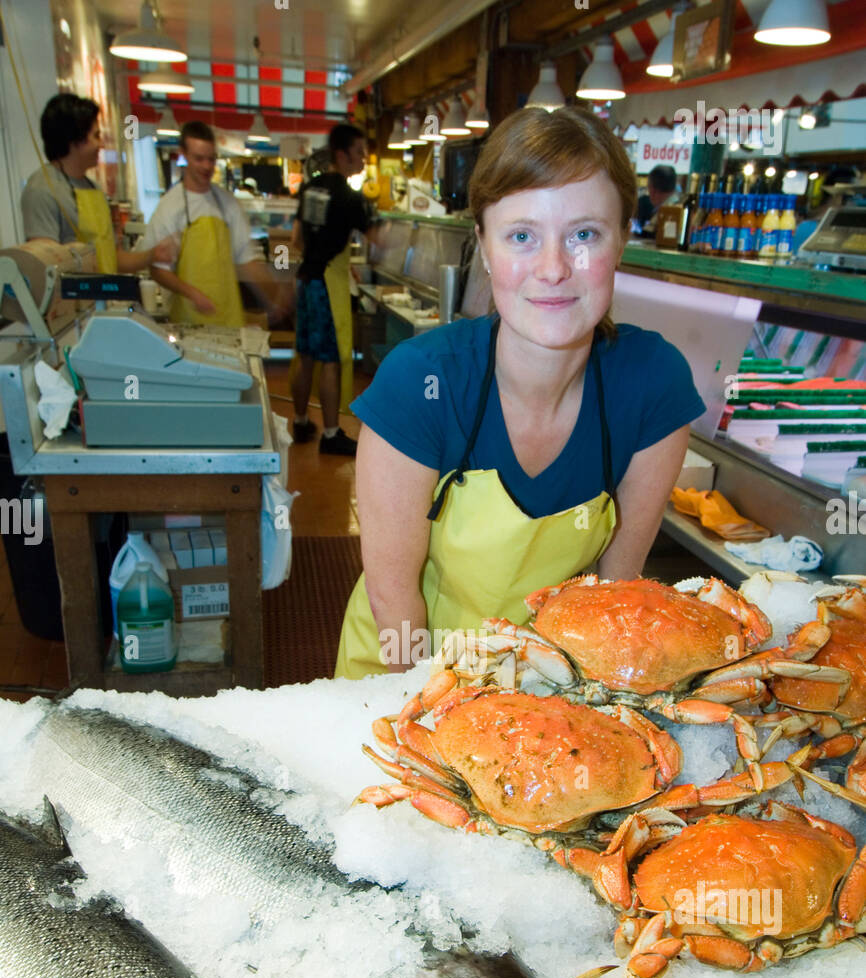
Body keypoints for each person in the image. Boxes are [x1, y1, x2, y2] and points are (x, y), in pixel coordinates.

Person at [335, 105, 705, 680]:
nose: (554, 268)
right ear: (484, 246)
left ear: (622, 242)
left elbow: (615, 594)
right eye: (522, 236)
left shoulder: (653, 384)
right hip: (403, 672)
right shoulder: (421, 382)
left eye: (584, 234)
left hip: (548, 687)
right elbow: (395, 600)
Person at [141, 120, 288, 327]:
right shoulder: (170, 207)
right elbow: (157, 269)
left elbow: (247, 259)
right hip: (188, 323)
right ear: (183, 154)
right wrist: (192, 294)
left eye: (211, 159)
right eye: (199, 159)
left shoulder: (228, 204)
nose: (207, 166)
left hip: (229, 320)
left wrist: (273, 295)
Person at [289, 122, 378, 456]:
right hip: (327, 282)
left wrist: (323, 252)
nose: (363, 160)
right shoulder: (348, 196)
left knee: (306, 355)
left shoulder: (310, 188)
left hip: (307, 278)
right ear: (342, 154)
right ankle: (330, 434)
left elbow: (297, 240)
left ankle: (299, 421)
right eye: (358, 153)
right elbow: (379, 239)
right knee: (330, 359)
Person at [21, 93, 175, 273]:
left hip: (103, 298)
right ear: (75, 139)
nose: (101, 144)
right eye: (96, 135)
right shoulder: (42, 190)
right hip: (73, 301)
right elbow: (43, 265)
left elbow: (112, 259)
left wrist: (152, 255)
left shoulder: (93, 188)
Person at [635, 163, 677, 232]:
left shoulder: (665, 213)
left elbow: (647, 233)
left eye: (648, 187)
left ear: (653, 190)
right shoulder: (680, 207)